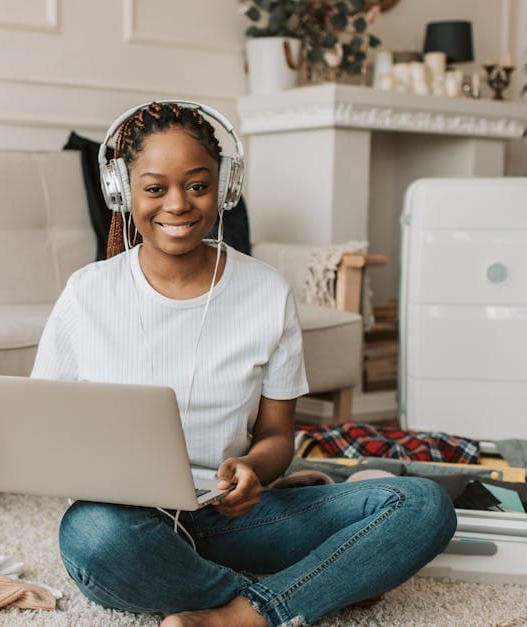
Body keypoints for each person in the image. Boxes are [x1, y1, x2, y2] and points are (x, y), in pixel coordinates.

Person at [31, 101, 456, 627]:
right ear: (123, 191)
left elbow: (279, 437)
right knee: (92, 537)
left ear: (225, 186)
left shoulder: (266, 292)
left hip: (236, 517)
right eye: (155, 188)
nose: (178, 205)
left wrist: (254, 470)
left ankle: (241, 614)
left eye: (197, 185)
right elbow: (45, 432)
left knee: (421, 505)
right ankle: (304, 591)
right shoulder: (86, 293)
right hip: (129, 523)